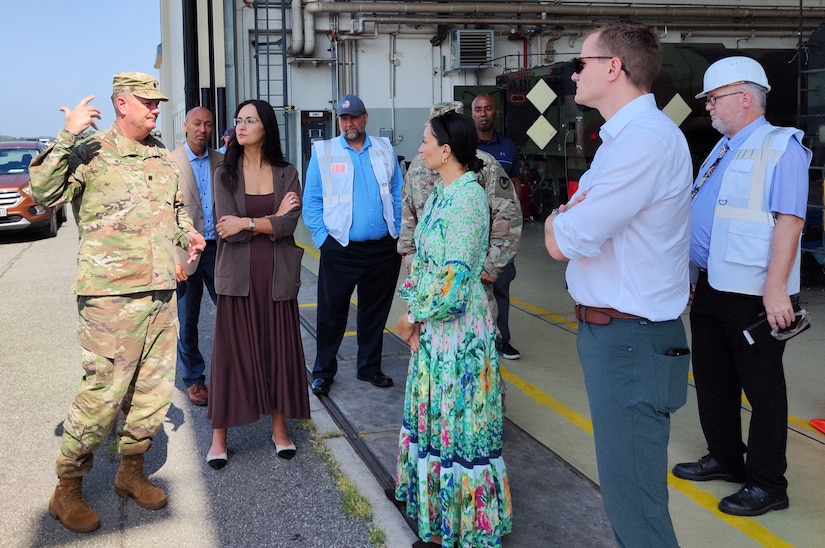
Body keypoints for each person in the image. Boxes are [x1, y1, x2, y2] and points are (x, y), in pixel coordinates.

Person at [30, 72, 205, 533]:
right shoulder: (90, 150)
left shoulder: (160, 156)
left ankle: (131, 472)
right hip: (110, 297)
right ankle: (65, 489)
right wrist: (68, 135)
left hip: (160, 293)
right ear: (121, 103)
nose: (155, 109)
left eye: (157, 102)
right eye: (147, 102)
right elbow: (43, 194)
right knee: (102, 395)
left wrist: (186, 233)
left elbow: (175, 209)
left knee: (151, 393)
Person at [544, 23, 693, 547]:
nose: (573, 73)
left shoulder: (644, 142)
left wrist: (559, 218)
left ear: (614, 67)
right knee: (626, 493)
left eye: (580, 63)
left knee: (636, 507)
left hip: (631, 341)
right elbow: (574, 224)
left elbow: (564, 237)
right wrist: (566, 217)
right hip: (620, 337)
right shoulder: (623, 139)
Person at [672, 56, 811, 517]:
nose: (708, 107)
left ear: (744, 97)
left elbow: (790, 222)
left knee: (763, 390)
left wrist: (776, 289)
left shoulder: (781, 146)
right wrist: (694, 273)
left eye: (714, 98)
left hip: (755, 291)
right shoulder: (724, 146)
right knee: (712, 376)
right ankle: (727, 458)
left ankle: (769, 483)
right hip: (715, 284)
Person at [394, 111, 513, 547]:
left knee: (458, 429)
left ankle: (466, 528)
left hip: (458, 334)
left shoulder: (466, 200)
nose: (420, 147)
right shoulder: (446, 192)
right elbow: (426, 261)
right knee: (439, 422)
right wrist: (415, 308)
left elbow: (455, 280)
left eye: (426, 141)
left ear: (447, 151)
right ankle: (441, 517)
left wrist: (412, 316)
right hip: (438, 331)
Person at [205, 99, 310, 468]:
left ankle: (279, 430)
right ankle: (220, 435)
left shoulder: (286, 172)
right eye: (238, 120)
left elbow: (288, 225)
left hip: (277, 276)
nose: (242, 125)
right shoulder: (224, 173)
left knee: (277, 350)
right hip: (237, 278)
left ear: (266, 126)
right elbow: (226, 229)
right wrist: (270, 219)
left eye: (250, 120)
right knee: (230, 355)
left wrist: (249, 223)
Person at [398, 101, 522, 362]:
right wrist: (413, 263)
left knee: (472, 353)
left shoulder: (481, 167)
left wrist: (492, 265)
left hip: (465, 284)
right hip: (430, 287)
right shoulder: (419, 169)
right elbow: (409, 216)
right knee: (433, 353)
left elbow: (507, 214)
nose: (421, 147)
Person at [302, 94, 403, 395]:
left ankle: (369, 367)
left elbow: (397, 191)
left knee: (374, 311)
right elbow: (311, 202)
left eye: (354, 117)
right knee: (332, 312)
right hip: (341, 248)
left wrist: (395, 230)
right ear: (339, 121)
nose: (349, 123)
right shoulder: (324, 152)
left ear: (365, 118)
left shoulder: (384, 149)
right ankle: (323, 371)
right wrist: (324, 240)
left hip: (384, 248)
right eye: (344, 118)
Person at [171, 106, 223, 406]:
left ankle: (230, 374)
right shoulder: (171, 162)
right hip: (185, 253)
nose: (202, 129)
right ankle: (194, 379)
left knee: (230, 315)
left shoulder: (222, 160)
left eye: (208, 124)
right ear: (185, 127)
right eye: (197, 124)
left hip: (219, 251)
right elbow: (164, 213)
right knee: (187, 320)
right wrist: (172, 258)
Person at [471, 93, 522, 359]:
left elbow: (513, 186)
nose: (483, 113)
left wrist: (513, 227)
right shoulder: (463, 147)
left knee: (501, 285)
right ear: (472, 115)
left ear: (496, 112)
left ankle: (502, 339)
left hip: (500, 233)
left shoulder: (508, 148)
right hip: (472, 232)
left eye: (488, 109)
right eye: (478, 109)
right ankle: (477, 339)